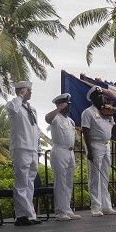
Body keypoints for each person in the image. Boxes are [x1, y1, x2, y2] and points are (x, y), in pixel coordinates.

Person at [81, 86, 116, 216]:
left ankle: (106, 206)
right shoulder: (88, 112)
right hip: (95, 145)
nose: (102, 98)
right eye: (99, 97)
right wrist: (89, 150)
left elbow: (113, 131)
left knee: (105, 176)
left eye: (102, 96)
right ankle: (95, 207)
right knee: (95, 177)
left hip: (107, 145)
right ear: (93, 99)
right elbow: (85, 131)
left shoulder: (107, 113)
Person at [6, 81, 42, 226]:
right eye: (28, 90)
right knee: (21, 182)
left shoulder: (31, 109)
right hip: (21, 147)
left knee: (29, 183)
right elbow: (13, 108)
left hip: (32, 148)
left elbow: (35, 130)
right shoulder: (13, 106)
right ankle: (22, 215)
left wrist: (38, 148)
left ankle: (29, 214)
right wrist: (19, 96)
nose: (31, 92)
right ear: (21, 91)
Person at [45, 93, 81, 222]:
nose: (68, 107)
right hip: (59, 150)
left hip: (70, 152)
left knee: (68, 182)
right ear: (60, 105)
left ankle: (67, 209)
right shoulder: (56, 117)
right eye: (66, 104)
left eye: (69, 104)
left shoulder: (70, 120)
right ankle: (60, 211)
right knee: (60, 182)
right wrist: (59, 108)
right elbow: (47, 118)